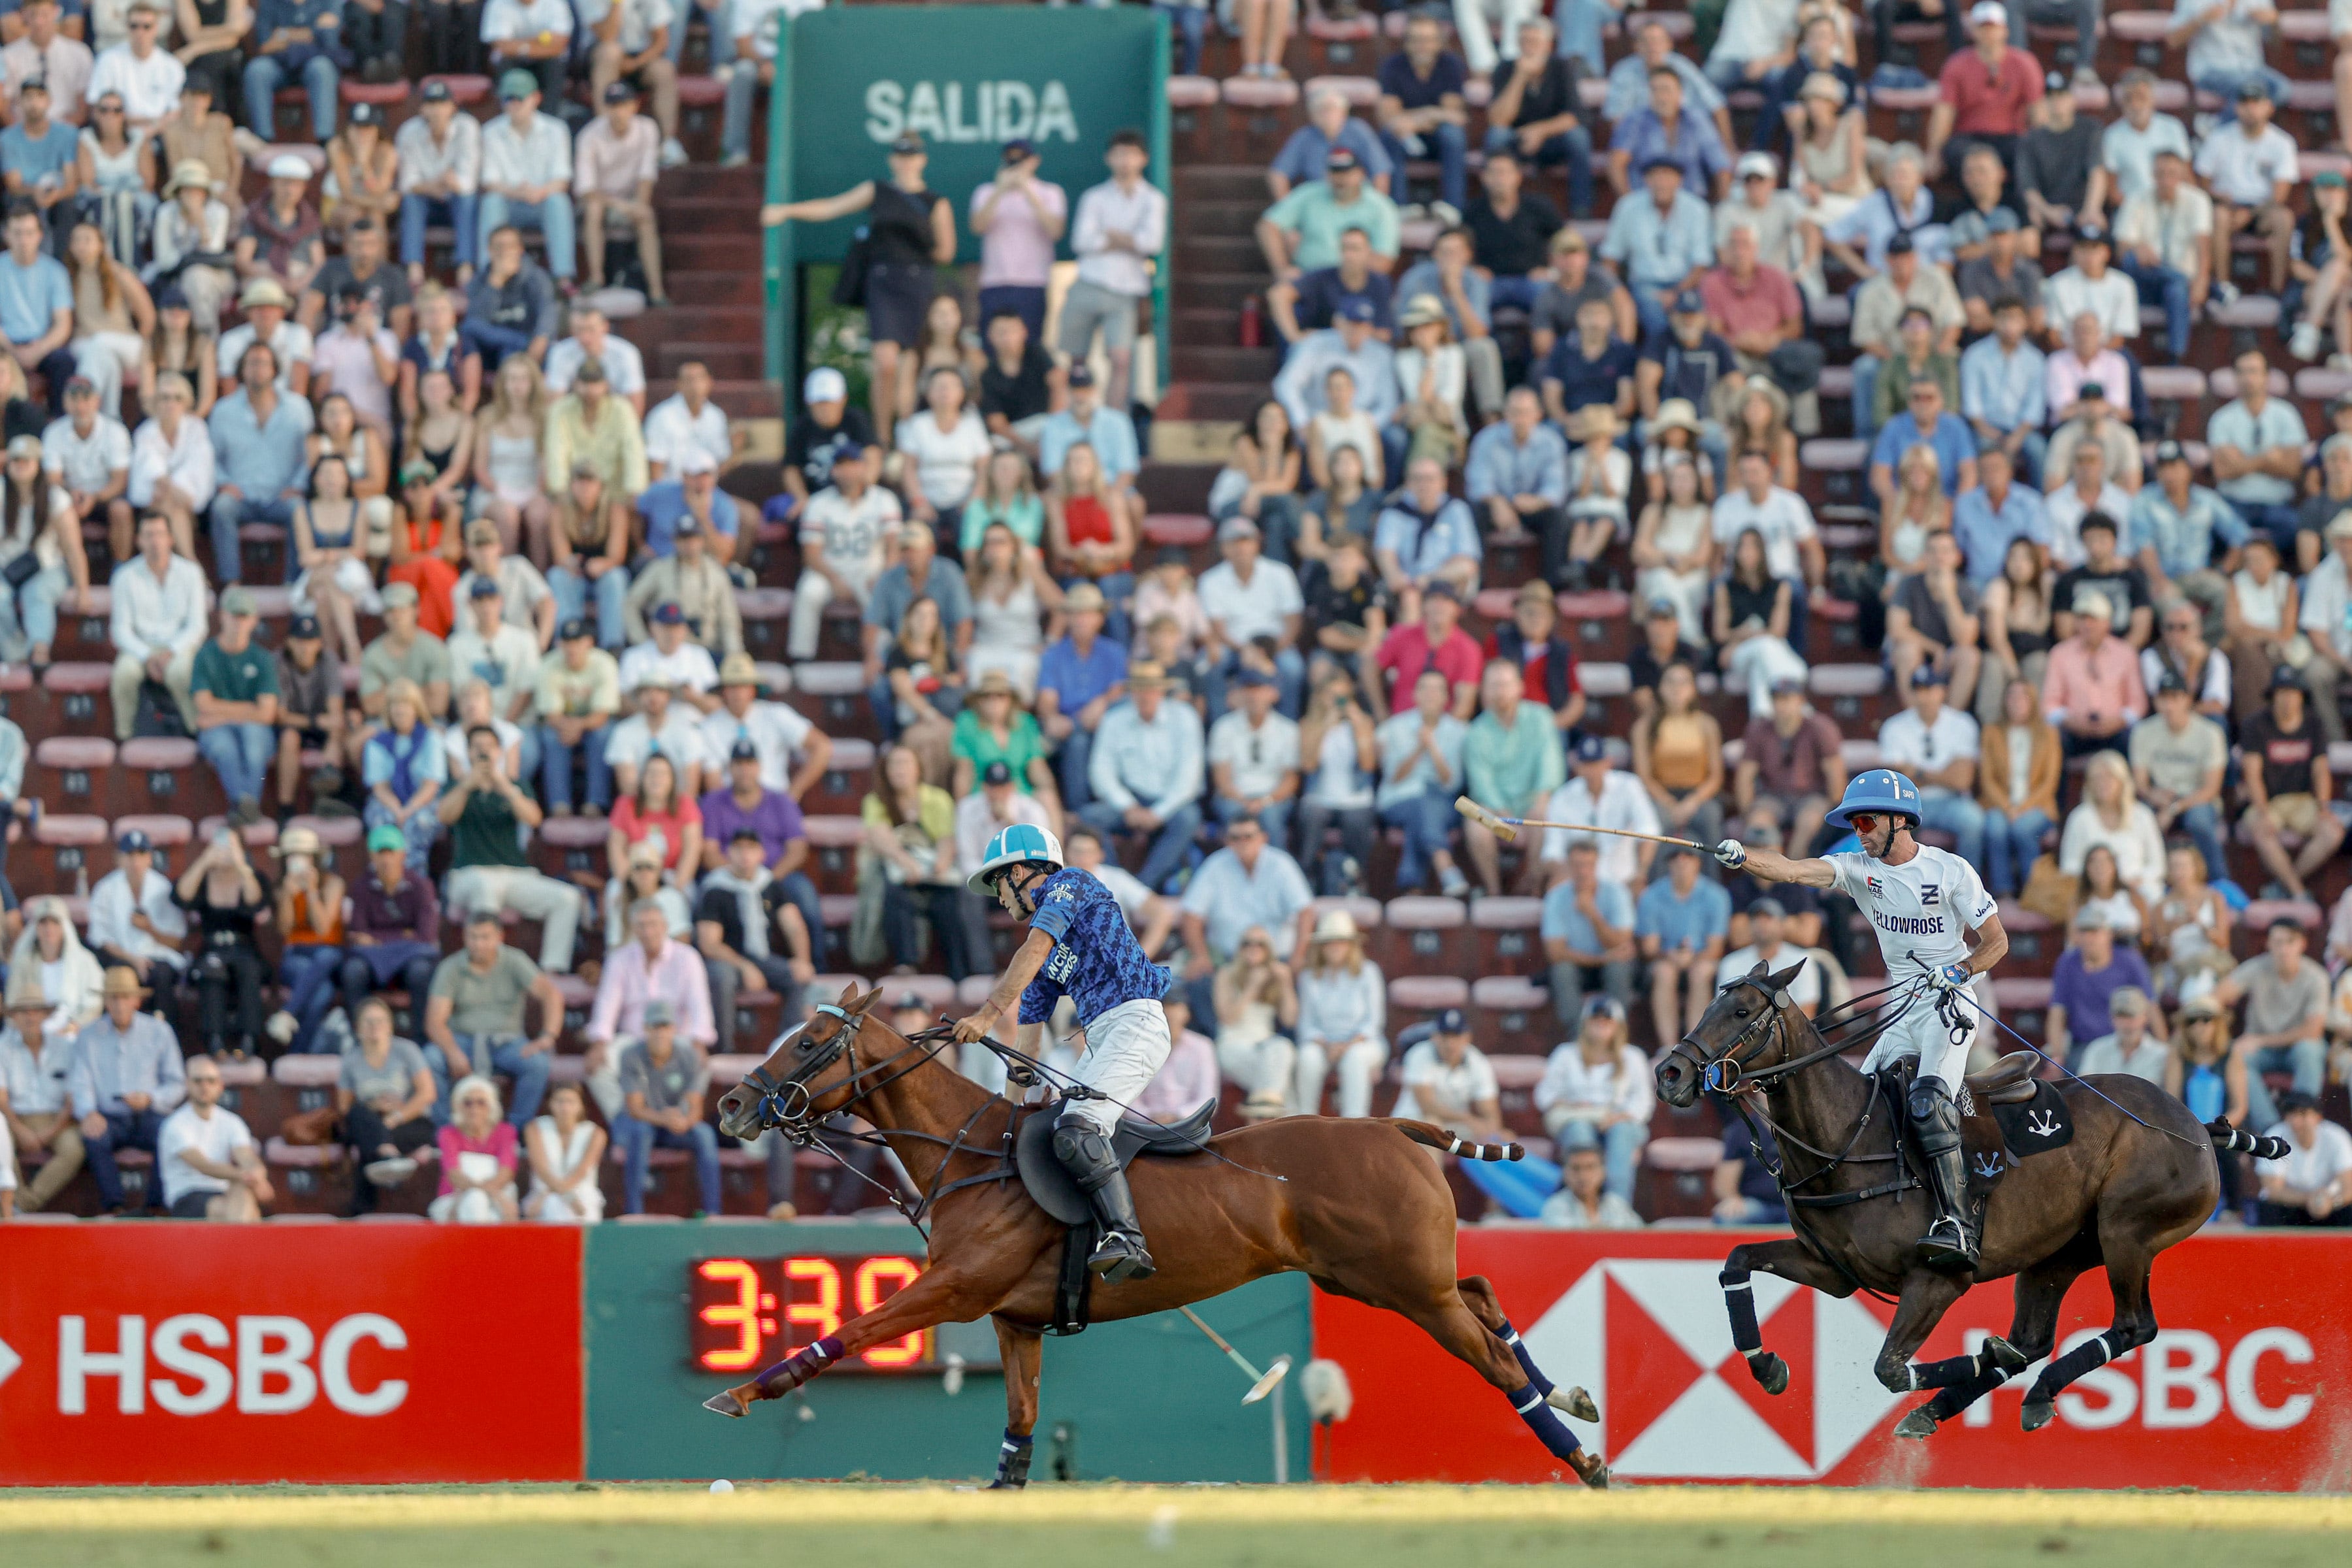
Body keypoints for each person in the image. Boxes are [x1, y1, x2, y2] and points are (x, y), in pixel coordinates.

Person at [1716, 767, 2013, 1269]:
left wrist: (1959, 970)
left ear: (1900, 820)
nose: (1860, 832)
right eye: (1855, 824)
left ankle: (1957, 1223)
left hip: (1950, 1003)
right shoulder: (1858, 868)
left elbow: (1997, 944)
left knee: (1928, 1100)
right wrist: (1744, 858)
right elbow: (1790, 869)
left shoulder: (1951, 871)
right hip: (1901, 1008)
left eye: (1867, 822)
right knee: (1861, 1107)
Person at [953, 823, 1174, 1280]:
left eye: (998, 885)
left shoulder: (1070, 882)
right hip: (1104, 1037)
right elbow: (1026, 1048)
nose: (999, 898)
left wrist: (986, 1014)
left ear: (1018, 872)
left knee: (1078, 1126)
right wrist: (1008, 1124)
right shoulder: (1044, 957)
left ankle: (1127, 1238)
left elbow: (1034, 949)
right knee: (1054, 1133)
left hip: (1136, 1023)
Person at [440, 721, 583, 972]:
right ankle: (490, 971)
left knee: (568, 898)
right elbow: (444, 816)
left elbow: (534, 819)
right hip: (469, 873)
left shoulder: (514, 785)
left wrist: (504, 786)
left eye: (489, 747)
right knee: (485, 888)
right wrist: (467, 785)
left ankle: (553, 969)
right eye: (477, 748)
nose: (483, 753)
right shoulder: (456, 785)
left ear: (500, 753)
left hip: (514, 874)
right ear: (468, 753)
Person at [67, 961, 186, 1213]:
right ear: (105, 1002)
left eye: (125, 998)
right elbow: (80, 1082)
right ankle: (115, 1207)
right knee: (93, 1136)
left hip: (149, 1112)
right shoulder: (88, 1036)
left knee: (170, 1134)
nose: (120, 1004)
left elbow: (177, 1083)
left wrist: (151, 1098)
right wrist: (88, 1112)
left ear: (137, 1001)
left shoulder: (159, 1031)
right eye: (114, 998)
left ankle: (155, 1207)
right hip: (107, 1115)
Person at [2237, 667, 2344, 904]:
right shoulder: (2255, 724)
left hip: (2302, 800)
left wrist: (2324, 808)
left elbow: (2320, 770)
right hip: (2268, 801)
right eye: (2282, 692)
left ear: (2301, 696)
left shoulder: (2314, 724)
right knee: (2260, 829)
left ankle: (2284, 886)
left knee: (2332, 832)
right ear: (2273, 695)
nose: (2287, 699)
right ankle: (2298, 893)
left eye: (2293, 693)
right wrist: (2263, 812)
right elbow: (2253, 774)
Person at [1535, 994, 1652, 1202]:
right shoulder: (1566, 1054)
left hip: (1618, 1120)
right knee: (1580, 1132)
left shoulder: (1633, 1057)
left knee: (1621, 1135)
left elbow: (1643, 1102)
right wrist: (1569, 1103)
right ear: (1585, 1024)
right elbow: (1544, 1095)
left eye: (1607, 1022)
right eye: (1595, 1022)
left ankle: (1617, 1209)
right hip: (1577, 1117)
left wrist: (1619, 1117)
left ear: (1618, 1026)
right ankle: (1582, 1208)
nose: (1601, 1027)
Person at [608, 999, 717, 1217]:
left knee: (704, 1134)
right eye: (655, 1027)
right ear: (645, 1029)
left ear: (674, 1029)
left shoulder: (688, 1055)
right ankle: (634, 1212)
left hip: (672, 1124)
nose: (660, 1033)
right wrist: (667, 1119)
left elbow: (695, 1103)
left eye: (665, 1026)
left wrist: (685, 1121)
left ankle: (713, 1211)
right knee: (641, 1132)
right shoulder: (631, 1055)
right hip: (638, 1122)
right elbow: (635, 1109)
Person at [2215, 921, 2330, 1120]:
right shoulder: (2257, 967)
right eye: (2277, 942)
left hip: (2293, 1046)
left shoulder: (2317, 977)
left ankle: (2303, 1118)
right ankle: (2271, 1131)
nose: (2283, 949)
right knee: (2237, 1057)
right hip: (2261, 1051)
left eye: (2290, 942)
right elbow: (2217, 996)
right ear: (2268, 944)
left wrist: (2259, 1040)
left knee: (2310, 1050)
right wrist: (2222, 1027)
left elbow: (2313, 1031)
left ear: (2303, 944)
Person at [1376, 666, 1469, 896]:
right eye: (1425, 689)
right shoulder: (1394, 727)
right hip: (1400, 799)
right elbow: (1393, 778)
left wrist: (1432, 747)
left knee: (1424, 810)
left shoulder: (1459, 732)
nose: (1430, 695)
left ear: (1447, 697)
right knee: (1421, 805)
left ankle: (1412, 887)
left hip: (1442, 800)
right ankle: (1443, 864)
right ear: (1414, 694)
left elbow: (1452, 783)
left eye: (1437, 690)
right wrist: (1419, 748)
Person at [1291, 907, 1384, 1119]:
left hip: (1362, 1043)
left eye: (1340, 941)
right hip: (1323, 1044)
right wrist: (1327, 1045)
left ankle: (1355, 1125)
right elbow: (1306, 1024)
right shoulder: (1309, 976)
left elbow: (1373, 1023)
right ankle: (1306, 1123)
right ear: (1321, 946)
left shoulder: (1369, 972)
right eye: (1329, 942)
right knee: (1307, 1058)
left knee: (1356, 1058)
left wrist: (1347, 1045)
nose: (1335, 947)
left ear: (1351, 945)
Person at [155, 1051, 267, 1220]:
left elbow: (245, 1155)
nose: (204, 1086)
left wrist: (257, 1171)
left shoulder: (232, 1121)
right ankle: (243, 1241)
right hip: (188, 1194)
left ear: (220, 1086)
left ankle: (238, 1240)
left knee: (241, 1194)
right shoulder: (175, 1124)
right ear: (188, 1085)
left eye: (211, 1081)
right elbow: (204, 1165)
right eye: (198, 1081)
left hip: (224, 1193)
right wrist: (247, 1176)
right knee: (240, 1211)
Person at [1543, 838, 1636, 1028]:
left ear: (1597, 864)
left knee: (1619, 968)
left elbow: (1621, 943)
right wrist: (1603, 959)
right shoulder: (1556, 897)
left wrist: (1592, 914)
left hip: (1610, 965)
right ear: (1568, 866)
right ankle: (1578, 1039)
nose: (1583, 872)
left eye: (1588, 865)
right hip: (1581, 966)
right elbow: (1555, 953)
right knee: (1562, 970)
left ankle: (1617, 1036)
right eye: (1577, 866)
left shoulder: (1616, 893)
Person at [1391, 1005, 1503, 1150]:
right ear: (1435, 1036)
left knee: (1490, 1138)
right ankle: (1435, 1174)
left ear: (1467, 1037)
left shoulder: (1478, 1062)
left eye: (1455, 1037)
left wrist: (1494, 1131)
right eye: (1445, 1036)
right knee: (1431, 1128)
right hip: (1413, 1121)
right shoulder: (1419, 1055)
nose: (1450, 1044)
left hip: (1455, 1124)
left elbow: (1489, 1111)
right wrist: (1468, 1119)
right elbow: (1427, 1106)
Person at [2254, 1091, 2352, 1227]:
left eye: (2303, 1114)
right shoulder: (2275, 1136)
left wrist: (2331, 1202)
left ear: (2318, 1117)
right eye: (2292, 1115)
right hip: (2289, 1205)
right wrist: (2309, 1199)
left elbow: (2348, 1187)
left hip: (2329, 1204)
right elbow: (2272, 1188)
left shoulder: (2337, 1137)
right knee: (2270, 1207)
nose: (2296, 1122)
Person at [431, 1073, 519, 1223]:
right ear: (458, 1105)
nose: (474, 1108)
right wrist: (477, 1190)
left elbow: (506, 1171)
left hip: (497, 1196)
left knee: (483, 1206)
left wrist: (483, 1191)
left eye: (481, 1103)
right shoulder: (448, 1133)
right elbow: (453, 1174)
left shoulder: (506, 1132)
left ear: (491, 1106)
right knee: (475, 1200)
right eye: (468, 1103)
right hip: (455, 1197)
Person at [523, 1081, 606, 1224]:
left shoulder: (596, 1133)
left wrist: (568, 1196)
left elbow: (582, 1170)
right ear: (550, 1103)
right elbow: (542, 1170)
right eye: (559, 1101)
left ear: (581, 1106)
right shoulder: (534, 1128)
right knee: (552, 1204)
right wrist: (566, 1196)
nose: (565, 1107)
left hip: (582, 1194)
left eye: (571, 1102)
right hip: (544, 1193)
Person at [1541, 1142, 1645, 1229]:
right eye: (1576, 1168)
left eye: (1590, 1167)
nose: (1583, 1176)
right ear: (1565, 1173)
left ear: (1603, 1172)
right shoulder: (1555, 1205)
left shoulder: (1615, 1203)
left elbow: (1639, 1232)